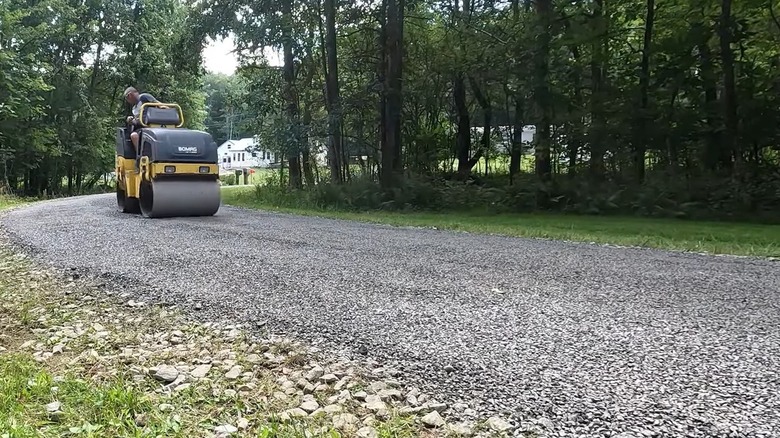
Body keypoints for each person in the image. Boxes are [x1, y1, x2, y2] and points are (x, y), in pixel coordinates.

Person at [123, 86, 159, 152]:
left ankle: (141, 154)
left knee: (134, 135)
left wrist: (164, 107)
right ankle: (140, 154)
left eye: (127, 99)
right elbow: (137, 121)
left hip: (152, 124)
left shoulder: (144, 97)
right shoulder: (134, 108)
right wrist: (131, 121)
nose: (128, 101)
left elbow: (159, 104)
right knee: (134, 135)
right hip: (142, 128)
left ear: (130, 95)